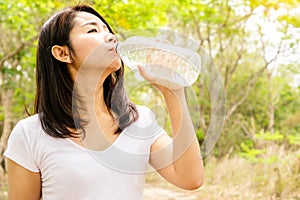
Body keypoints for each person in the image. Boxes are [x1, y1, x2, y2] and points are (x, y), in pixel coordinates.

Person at [4, 4, 204, 200]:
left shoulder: (139, 121)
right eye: (92, 30)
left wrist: (174, 92)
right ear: (63, 53)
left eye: (108, 30)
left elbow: (190, 178)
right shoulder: (30, 134)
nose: (111, 36)